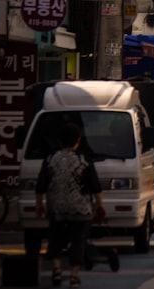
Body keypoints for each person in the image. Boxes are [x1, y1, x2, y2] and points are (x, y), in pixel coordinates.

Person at [35, 124, 104, 289]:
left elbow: (41, 184)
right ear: (78, 140)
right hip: (80, 207)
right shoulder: (84, 160)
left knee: (55, 238)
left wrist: (39, 204)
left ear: (59, 140)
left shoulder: (50, 159)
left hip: (56, 206)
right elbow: (95, 185)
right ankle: (74, 276)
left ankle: (57, 269)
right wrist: (99, 205)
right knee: (78, 241)